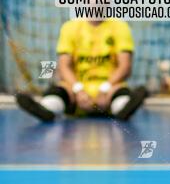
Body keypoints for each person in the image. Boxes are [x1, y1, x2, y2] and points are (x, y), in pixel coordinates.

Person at [16, 10, 147, 122]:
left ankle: (123, 109)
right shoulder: (70, 27)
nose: (97, 0)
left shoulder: (120, 27)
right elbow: (64, 66)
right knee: (61, 89)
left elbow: (125, 67)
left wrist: (105, 88)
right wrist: (78, 89)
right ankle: (46, 110)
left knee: (119, 92)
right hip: (77, 89)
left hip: (109, 87)